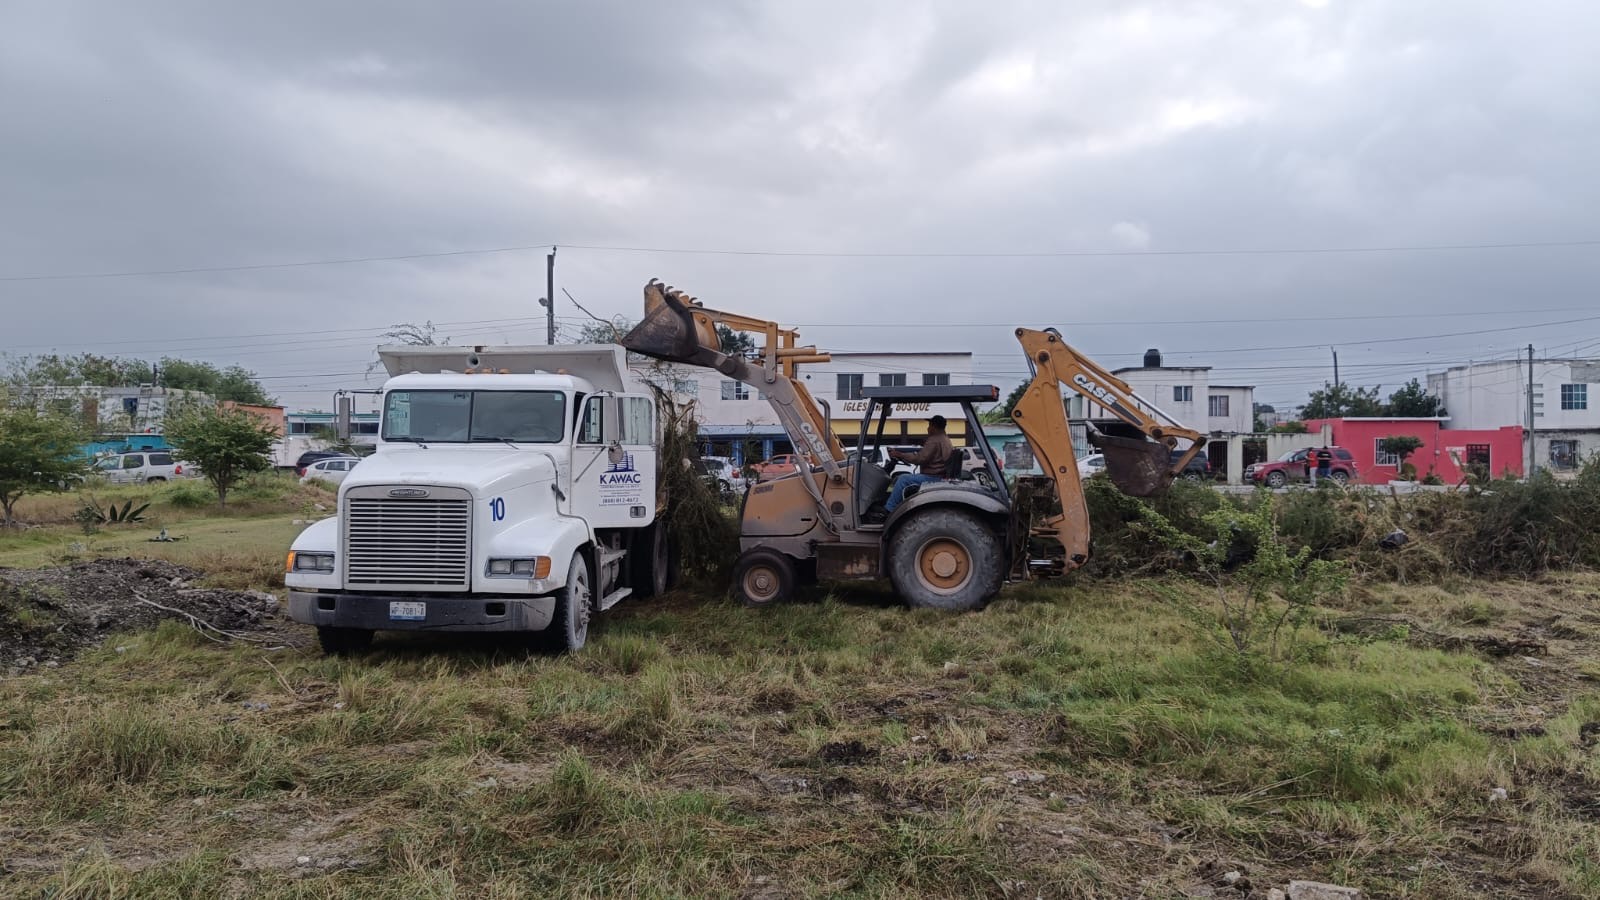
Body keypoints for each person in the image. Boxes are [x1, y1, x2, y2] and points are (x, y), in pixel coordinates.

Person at [884, 415, 954, 513]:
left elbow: (920, 458)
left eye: (929, 425)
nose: (928, 428)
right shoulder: (945, 439)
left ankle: (888, 510)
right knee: (899, 479)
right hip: (939, 476)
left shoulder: (934, 440)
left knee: (902, 479)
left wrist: (900, 454)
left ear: (934, 426)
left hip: (933, 477)